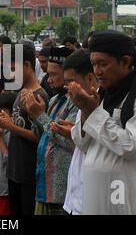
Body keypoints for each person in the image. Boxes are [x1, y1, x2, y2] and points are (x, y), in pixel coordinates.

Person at [68, 30, 136, 214]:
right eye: (93, 64)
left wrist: (93, 111)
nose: (97, 71)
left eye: (103, 64)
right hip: (96, 192)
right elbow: (82, 142)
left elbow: (131, 146)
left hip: (133, 193)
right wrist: (85, 110)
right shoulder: (101, 94)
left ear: (125, 61)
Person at [23, 46, 77, 215]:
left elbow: (69, 141)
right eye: (48, 74)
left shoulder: (78, 103)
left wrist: (39, 115)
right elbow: (41, 135)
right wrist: (33, 114)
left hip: (61, 191)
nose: (49, 80)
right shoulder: (55, 99)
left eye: (54, 75)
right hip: (45, 184)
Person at [0, 44, 48, 215]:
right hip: (15, 169)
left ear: (26, 65)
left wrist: (10, 126)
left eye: (13, 69)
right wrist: (7, 121)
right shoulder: (21, 91)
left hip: (29, 172)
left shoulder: (39, 96)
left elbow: (42, 137)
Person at [59, 49, 99, 215]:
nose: (66, 87)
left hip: (93, 197)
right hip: (75, 196)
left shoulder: (103, 102)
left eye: (71, 81)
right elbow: (82, 141)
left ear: (89, 78)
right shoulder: (80, 102)